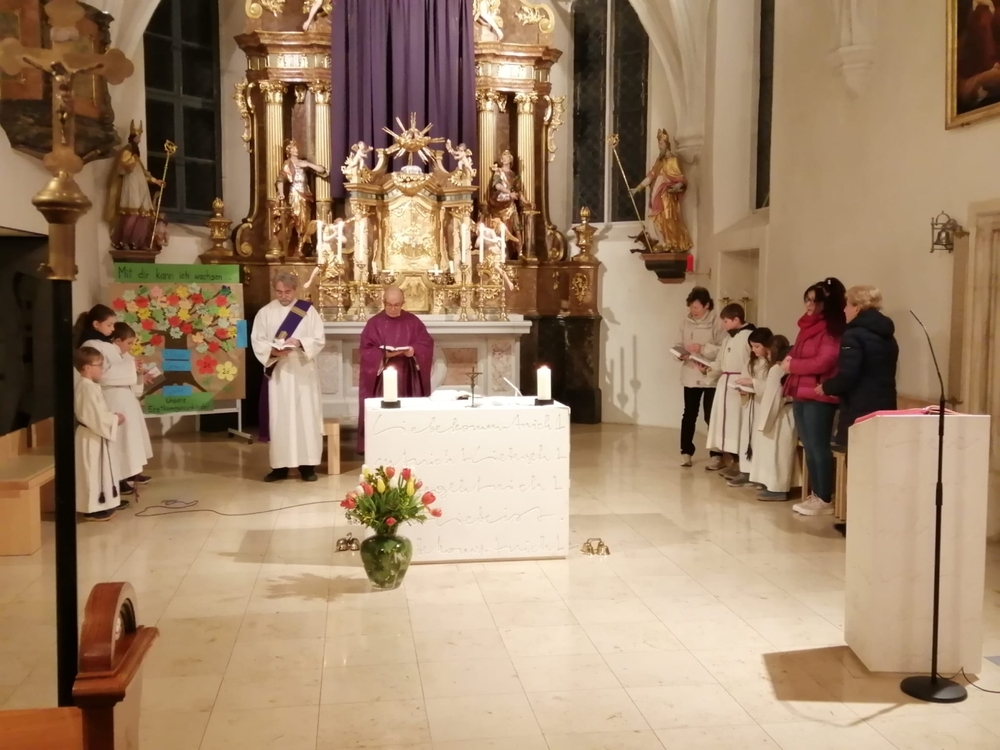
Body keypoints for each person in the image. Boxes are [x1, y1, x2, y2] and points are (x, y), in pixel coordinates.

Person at [818, 286, 898, 535]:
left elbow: (848, 376)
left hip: (859, 410)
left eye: (848, 304)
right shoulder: (887, 334)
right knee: (877, 468)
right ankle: (877, 522)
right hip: (884, 407)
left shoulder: (854, 335)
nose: (844, 310)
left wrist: (826, 387)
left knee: (859, 469)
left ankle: (859, 524)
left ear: (858, 307)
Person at [251, 272, 327, 482]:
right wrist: (273, 351)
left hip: (303, 370)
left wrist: (300, 342)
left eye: (287, 291)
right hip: (280, 372)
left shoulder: (307, 311)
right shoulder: (265, 313)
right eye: (279, 292)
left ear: (295, 290)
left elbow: (319, 338)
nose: (283, 296)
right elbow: (257, 340)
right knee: (280, 418)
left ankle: (307, 466)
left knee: (306, 417)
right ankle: (280, 467)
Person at [781, 277, 846, 516]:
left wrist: (793, 365)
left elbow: (825, 361)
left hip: (819, 393)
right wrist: (789, 359)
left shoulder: (831, 329)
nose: (809, 305)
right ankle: (816, 494)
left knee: (819, 447)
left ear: (826, 304)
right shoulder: (807, 326)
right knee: (809, 446)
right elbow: (799, 353)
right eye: (807, 300)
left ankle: (824, 497)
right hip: (801, 390)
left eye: (814, 301)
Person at [357, 287, 434, 453]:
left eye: (397, 305)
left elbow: (426, 343)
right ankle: (381, 445)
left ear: (403, 303)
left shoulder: (413, 321)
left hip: (408, 376)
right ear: (383, 302)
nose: (392, 308)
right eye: (389, 305)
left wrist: (413, 350)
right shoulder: (374, 323)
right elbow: (366, 349)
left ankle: (411, 445)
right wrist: (382, 354)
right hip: (382, 378)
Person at [75, 305, 140, 496]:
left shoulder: (105, 344)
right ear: (96, 324)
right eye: (109, 325)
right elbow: (106, 373)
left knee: (124, 443)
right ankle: (115, 483)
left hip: (119, 397)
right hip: (110, 398)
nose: (113, 329)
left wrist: (133, 369)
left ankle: (121, 479)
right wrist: (130, 367)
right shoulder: (91, 345)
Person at [676, 287, 726, 468]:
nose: (693, 310)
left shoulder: (717, 322)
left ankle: (716, 454)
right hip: (690, 372)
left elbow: (723, 349)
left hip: (710, 374)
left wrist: (702, 348)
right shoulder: (685, 322)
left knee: (711, 415)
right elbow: (679, 343)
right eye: (691, 307)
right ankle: (686, 451)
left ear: (706, 306)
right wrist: (679, 354)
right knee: (689, 414)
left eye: (696, 307)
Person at [74, 347, 125, 522]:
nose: (102, 369)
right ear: (87, 367)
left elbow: (97, 413)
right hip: (90, 436)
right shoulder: (85, 387)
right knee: (91, 472)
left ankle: (102, 503)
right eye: (99, 365)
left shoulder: (91, 386)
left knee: (98, 471)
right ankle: (91, 508)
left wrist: (111, 417)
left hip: (95, 434)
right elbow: (93, 416)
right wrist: (114, 419)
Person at [705, 303, 755, 477]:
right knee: (726, 425)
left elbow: (752, 362)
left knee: (738, 424)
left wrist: (748, 382)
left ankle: (742, 464)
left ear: (736, 319)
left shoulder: (749, 337)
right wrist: (706, 369)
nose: (723, 325)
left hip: (739, 384)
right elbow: (720, 363)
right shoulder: (727, 339)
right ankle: (733, 460)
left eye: (726, 321)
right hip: (725, 384)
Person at [629, 129, 693, 253]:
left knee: (669, 219)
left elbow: (680, 178)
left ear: (667, 144)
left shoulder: (673, 160)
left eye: (661, 143)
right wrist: (637, 189)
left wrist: (678, 185)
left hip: (667, 195)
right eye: (658, 143)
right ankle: (663, 242)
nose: (659, 146)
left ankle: (672, 242)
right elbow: (651, 176)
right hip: (657, 196)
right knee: (657, 218)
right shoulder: (659, 161)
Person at [750, 334, 798, 501]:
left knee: (778, 453)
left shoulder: (777, 369)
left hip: (779, 415)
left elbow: (773, 398)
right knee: (779, 452)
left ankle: (778, 488)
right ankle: (774, 485)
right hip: (788, 412)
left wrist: (764, 422)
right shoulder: (787, 367)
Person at [104, 120, 164, 250]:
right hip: (131, 184)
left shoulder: (136, 153)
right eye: (138, 136)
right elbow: (125, 167)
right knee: (132, 212)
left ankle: (138, 241)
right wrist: (132, 158)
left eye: (140, 136)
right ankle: (124, 240)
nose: (139, 139)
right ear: (133, 137)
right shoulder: (127, 151)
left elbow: (142, 172)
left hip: (140, 184)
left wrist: (155, 181)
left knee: (144, 213)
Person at [728, 327, 773, 488]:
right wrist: (743, 388)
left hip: (764, 407)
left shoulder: (773, 363)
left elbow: (772, 385)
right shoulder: (750, 361)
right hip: (751, 405)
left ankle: (760, 475)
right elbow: (745, 377)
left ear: (767, 345)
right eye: (752, 346)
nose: (754, 350)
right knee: (747, 438)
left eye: (757, 346)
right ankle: (746, 471)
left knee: (762, 441)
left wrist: (753, 383)